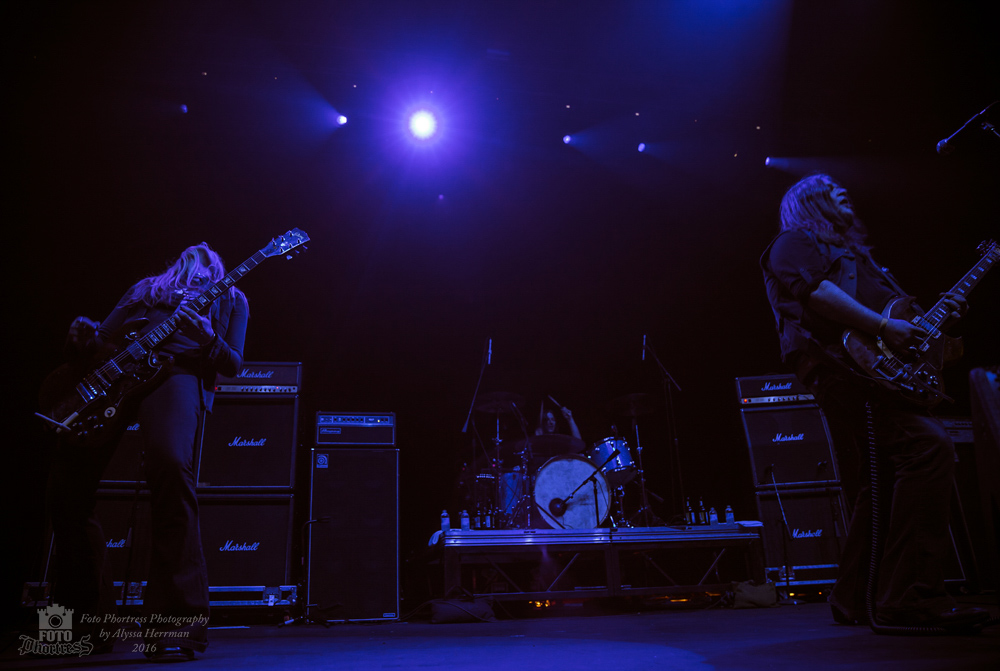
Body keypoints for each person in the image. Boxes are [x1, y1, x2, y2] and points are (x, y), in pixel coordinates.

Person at [759, 174, 988, 631]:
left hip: (877, 371)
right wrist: (884, 330)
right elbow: (819, 296)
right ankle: (909, 597)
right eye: (829, 187)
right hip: (845, 370)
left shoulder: (858, 258)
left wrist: (932, 327)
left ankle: (855, 598)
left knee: (880, 482)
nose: (844, 188)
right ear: (807, 202)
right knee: (927, 448)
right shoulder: (793, 242)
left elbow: (900, 323)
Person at [47, 242, 249, 660]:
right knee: (67, 491)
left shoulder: (230, 297)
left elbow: (232, 363)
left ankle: (175, 626)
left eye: (209, 258)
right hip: (118, 377)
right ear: (176, 263)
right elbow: (101, 340)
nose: (201, 252)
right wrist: (81, 339)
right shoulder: (145, 290)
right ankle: (80, 624)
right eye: (191, 254)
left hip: (176, 375)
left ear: (217, 270)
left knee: (173, 470)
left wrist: (209, 338)